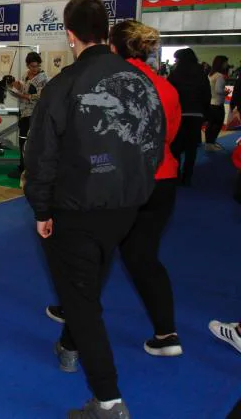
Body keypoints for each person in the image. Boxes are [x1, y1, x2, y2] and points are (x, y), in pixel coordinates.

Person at [24, 0, 165, 419]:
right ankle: (69, 346)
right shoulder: (141, 80)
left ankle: (108, 401)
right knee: (86, 280)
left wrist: (42, 211)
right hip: (126, 206)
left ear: (70, 35)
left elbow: (41, 155)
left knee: (82, 300)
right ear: (105, 31)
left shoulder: (63, 85)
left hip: (76, 210)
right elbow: (155, 142)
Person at [46, 20, 184, 357]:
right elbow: (169, 136)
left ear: (113, 46)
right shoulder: (165, 87)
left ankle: (72, 332)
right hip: (162, 181)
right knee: (143, 257)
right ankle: (167, 334)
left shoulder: (112, 83)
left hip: (120, 182)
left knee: (93, 255)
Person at [169, 48, 211, 185]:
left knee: (176, 146)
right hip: (196, 114)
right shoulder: (201, 73)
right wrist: (204, 113)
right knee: (191, 148)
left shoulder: (175, 73)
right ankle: (187, 177)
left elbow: (169, 93)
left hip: (179, 114)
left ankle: (176, 174)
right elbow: (207, 95)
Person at [8, 51, 48, 179]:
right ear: (27, 65)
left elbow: (41, 96)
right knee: (22, 141)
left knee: (32, 143)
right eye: (32, 66)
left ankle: (32, 170)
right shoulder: (26, 75)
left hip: (35, 114)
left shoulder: (43, 78)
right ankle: (22, 167)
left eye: (37, 66)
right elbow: (22, 87)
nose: (35, 69)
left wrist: (24, 96)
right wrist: (15, 84)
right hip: (24, 113)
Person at [205, 55, 229, 151]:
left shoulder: (210, 75)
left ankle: (209, 144)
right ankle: (211, 144)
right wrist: (225, 92)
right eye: (226, 62)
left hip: (211, 103)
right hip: (218, 104)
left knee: (210, 124)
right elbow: (219, 90)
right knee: (216, 125)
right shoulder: (219, 76)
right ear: (222, 63)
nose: (227, 64)